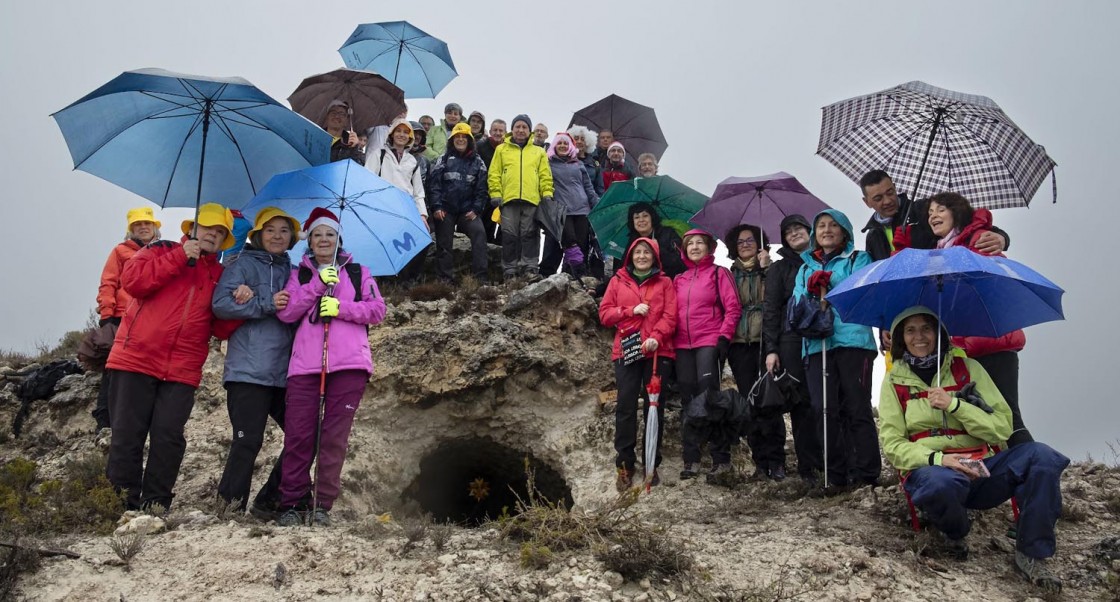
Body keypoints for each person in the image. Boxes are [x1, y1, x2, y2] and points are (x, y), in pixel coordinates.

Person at [879, 306, 1068, 591]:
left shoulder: (969, 368)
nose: (920, 336)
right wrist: (940, 459)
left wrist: (955, 405)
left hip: (984, 468)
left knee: (1042, 457)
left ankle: (1032, 553)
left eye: (927, 328)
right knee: (940, 484)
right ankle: (955, 532)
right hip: (934, 470)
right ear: (900, 338)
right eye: (910, 330)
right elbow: (893, 445)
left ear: (939, 333)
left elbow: (1002, 426)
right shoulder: (894, 381)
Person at [105, 203, 241, 511]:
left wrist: (238, 306)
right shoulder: (160, 250)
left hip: (182, 369)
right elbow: (134, 284)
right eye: (208, 227)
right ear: (191, 229)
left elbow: (220, 327)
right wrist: (180, 257)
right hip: (135, 359)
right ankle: (120, 506)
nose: (214, 235)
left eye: (220, 232)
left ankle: (156, 505)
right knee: (127, 436)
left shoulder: (219, 274)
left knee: (168, 437)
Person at [274, 208, 386, 526]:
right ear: (309, 241)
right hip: (305, 367)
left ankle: (321, 504)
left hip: (350, 364)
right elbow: (286, 313)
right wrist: (317, 286)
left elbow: (377, 310)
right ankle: (292, 503)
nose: (324, 239)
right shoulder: (300, 275)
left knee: (334, 437)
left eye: (330, 235)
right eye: (317, 235)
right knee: (299, 435)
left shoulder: (358, 272)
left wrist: (340, 307)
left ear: (339, 241)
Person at [918, 192, 1032, 447]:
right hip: (966, 346)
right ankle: (1007, 477)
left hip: (993, 342)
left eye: (940, 210)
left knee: (1006, 413)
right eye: (929, 213)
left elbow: (996, 279)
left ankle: (1036, 467)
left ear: (956, 212)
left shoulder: (978, 240)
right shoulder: (941, 250)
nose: (933, 216)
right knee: (982, 415)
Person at [211, 207, 300, 519]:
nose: (277, 235)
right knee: (248, 441)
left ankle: (268, 503)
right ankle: (228, 510)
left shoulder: (297, 271)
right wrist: (264, 303)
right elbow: (220, 304)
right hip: (248, 369)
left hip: (287, 373)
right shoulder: (240, 264)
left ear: (292, 238)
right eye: (270, 229)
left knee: (306, 434)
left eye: (284, 230)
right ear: (258, 234)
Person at [792, 209, 880, 491]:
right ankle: (835, 474)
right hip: (817, 346)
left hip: (854, 342)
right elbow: (796, 306)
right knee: (823, 408)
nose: (827, 230)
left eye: (833, 225)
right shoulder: (805, 267)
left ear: (845, 231)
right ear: (815, 234)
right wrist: (809, 290)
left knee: (856, 406)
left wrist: (830, 287)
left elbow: (864, 293)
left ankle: (866, 473)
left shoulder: (858, 259)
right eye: (821, 226)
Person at [599, 238, 677, 490]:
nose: (642, 256)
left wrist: (656, 336)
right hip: (627, 351)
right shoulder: (616, 281)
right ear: (630, 256)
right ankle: (625, 464)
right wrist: (630, 310)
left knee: (655, 408)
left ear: (655, 257)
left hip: (657, 351)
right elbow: (604, 314)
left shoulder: (665, 282)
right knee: (625, 407)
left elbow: (670, 315)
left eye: (647, 252)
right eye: (637, 252)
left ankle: (651, 462)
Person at [673, 229, 741, 483]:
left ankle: (721, 458)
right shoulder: (679, 279)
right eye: (689, 244)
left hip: (709, 340)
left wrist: (724, 337)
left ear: (709, 247)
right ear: (684, 250)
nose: (694, 247)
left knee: (709, 397)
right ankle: (691, 458)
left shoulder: (719, 272)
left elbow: (733, 306)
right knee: (688, 399)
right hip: (681, 345)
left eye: (699, 243)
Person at [761, 215, 821, 485]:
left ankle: (831, 462)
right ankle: (808, 467)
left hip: (822, 338)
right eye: (788, 231)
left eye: (799, 229)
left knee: (824, 400)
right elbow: (771, 310)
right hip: (790, 340)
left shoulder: (823, 261)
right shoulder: (779, 269)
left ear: (810, 232)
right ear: (783, 239)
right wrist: (771, 349)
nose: (794, 234)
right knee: (801, 403)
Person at [725, 224, 785, 480]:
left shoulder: (770, 270)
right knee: (750, 403)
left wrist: (767, 268)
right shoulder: (730, 274)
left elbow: (778, 299)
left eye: (751, 240)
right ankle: (760, 462)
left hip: (766, 341)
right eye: (741, 242)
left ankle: (778, 461)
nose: (746, 244)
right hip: (739, 344)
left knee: (771, 401)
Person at [93, 207, 162, 431]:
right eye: (137, 224)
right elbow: (108, 283)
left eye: (147, 223)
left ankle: (136, 419)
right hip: (120, 318)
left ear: (155, 227)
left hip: (149, 322)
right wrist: (106, 316)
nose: (143, 227)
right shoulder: (120, 251)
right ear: (130, 229)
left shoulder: (162, 252)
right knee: (113, 370)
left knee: (141, 371)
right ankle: (104, 418)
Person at [859, 169, 1007, 261]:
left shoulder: (921, 209)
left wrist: (1001, 238)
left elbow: (966, 220)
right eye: (878, 198)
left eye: (890, 192)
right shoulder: (872, 236)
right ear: (867, 202)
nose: (887, 201)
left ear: (895, 187)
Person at [488, 114, 554, 282]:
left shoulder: (539, 152)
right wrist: (495, 194)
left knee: (530, 234)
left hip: (532, 200)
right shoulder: (501, 149)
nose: (520, 130)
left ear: (529, 130)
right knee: (509, 235)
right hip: (508, 200)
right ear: (512, 129)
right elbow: (494, 173)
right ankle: (509, 269)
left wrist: (547, 195)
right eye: (517, 126)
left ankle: (530, 267)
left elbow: (545, 176)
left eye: (524, 127)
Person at [367, 118, 431, 283]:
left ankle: (408, 279)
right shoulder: (378, 155)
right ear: (392, 134)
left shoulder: (412, 161)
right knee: (385, 244)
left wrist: (422, 215)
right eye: (398, 131)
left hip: (406, 209)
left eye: (405, 132)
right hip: (383, 208)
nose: (402, 135)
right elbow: (366, 181)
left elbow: (418, 192)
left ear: (410, 137)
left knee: (422, 240)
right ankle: (384, 281)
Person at [429, 122, 489, 284]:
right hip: (445, 210)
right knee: (444, 243)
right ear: (452, 139)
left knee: (479, 233)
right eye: (457, 137)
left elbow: (482, 189)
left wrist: (476, 209)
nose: (461, 140)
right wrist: (437, 206)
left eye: (464, 137)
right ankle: (444, 279)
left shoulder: (478, 162)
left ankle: (480, 278)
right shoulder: (443, 158)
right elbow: (434, 185)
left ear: (470, 140)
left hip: (467, 211)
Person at [541, 132, 599, 278]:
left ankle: (575, 277)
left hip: (582, 209)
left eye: (566, 143)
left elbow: (588, 187)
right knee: (570, 242)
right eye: (559, 143)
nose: (562, 146)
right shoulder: (548, 163)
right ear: (554, 145)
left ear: (570, 146)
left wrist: (597, 204)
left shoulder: (578, 164)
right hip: (561, 210)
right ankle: (561, 274)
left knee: (582, 244)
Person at [625, 202, 685, 278]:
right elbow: (624, 264)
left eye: (645, 216)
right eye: (636, 217)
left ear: (652, 218)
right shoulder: (633, 239)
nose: (641, 220)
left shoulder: (668, 234)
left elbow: (681, 263)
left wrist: (659, 249)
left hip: (668, 282)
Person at [321, 100, 364, 165]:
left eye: (341, 114)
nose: (337, 116)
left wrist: (355, 148)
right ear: (327, 116)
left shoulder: (350, 142)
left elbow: (357, 168)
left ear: (347, 120)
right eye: (333, 113)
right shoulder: (316, 135)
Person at [567, 125, 604, 196]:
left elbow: (600, 189)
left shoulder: (595, 164)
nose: (579, 142)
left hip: (589, 204)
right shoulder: (564, 161)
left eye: (582, 139)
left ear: (588, 143)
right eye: (576, 139)